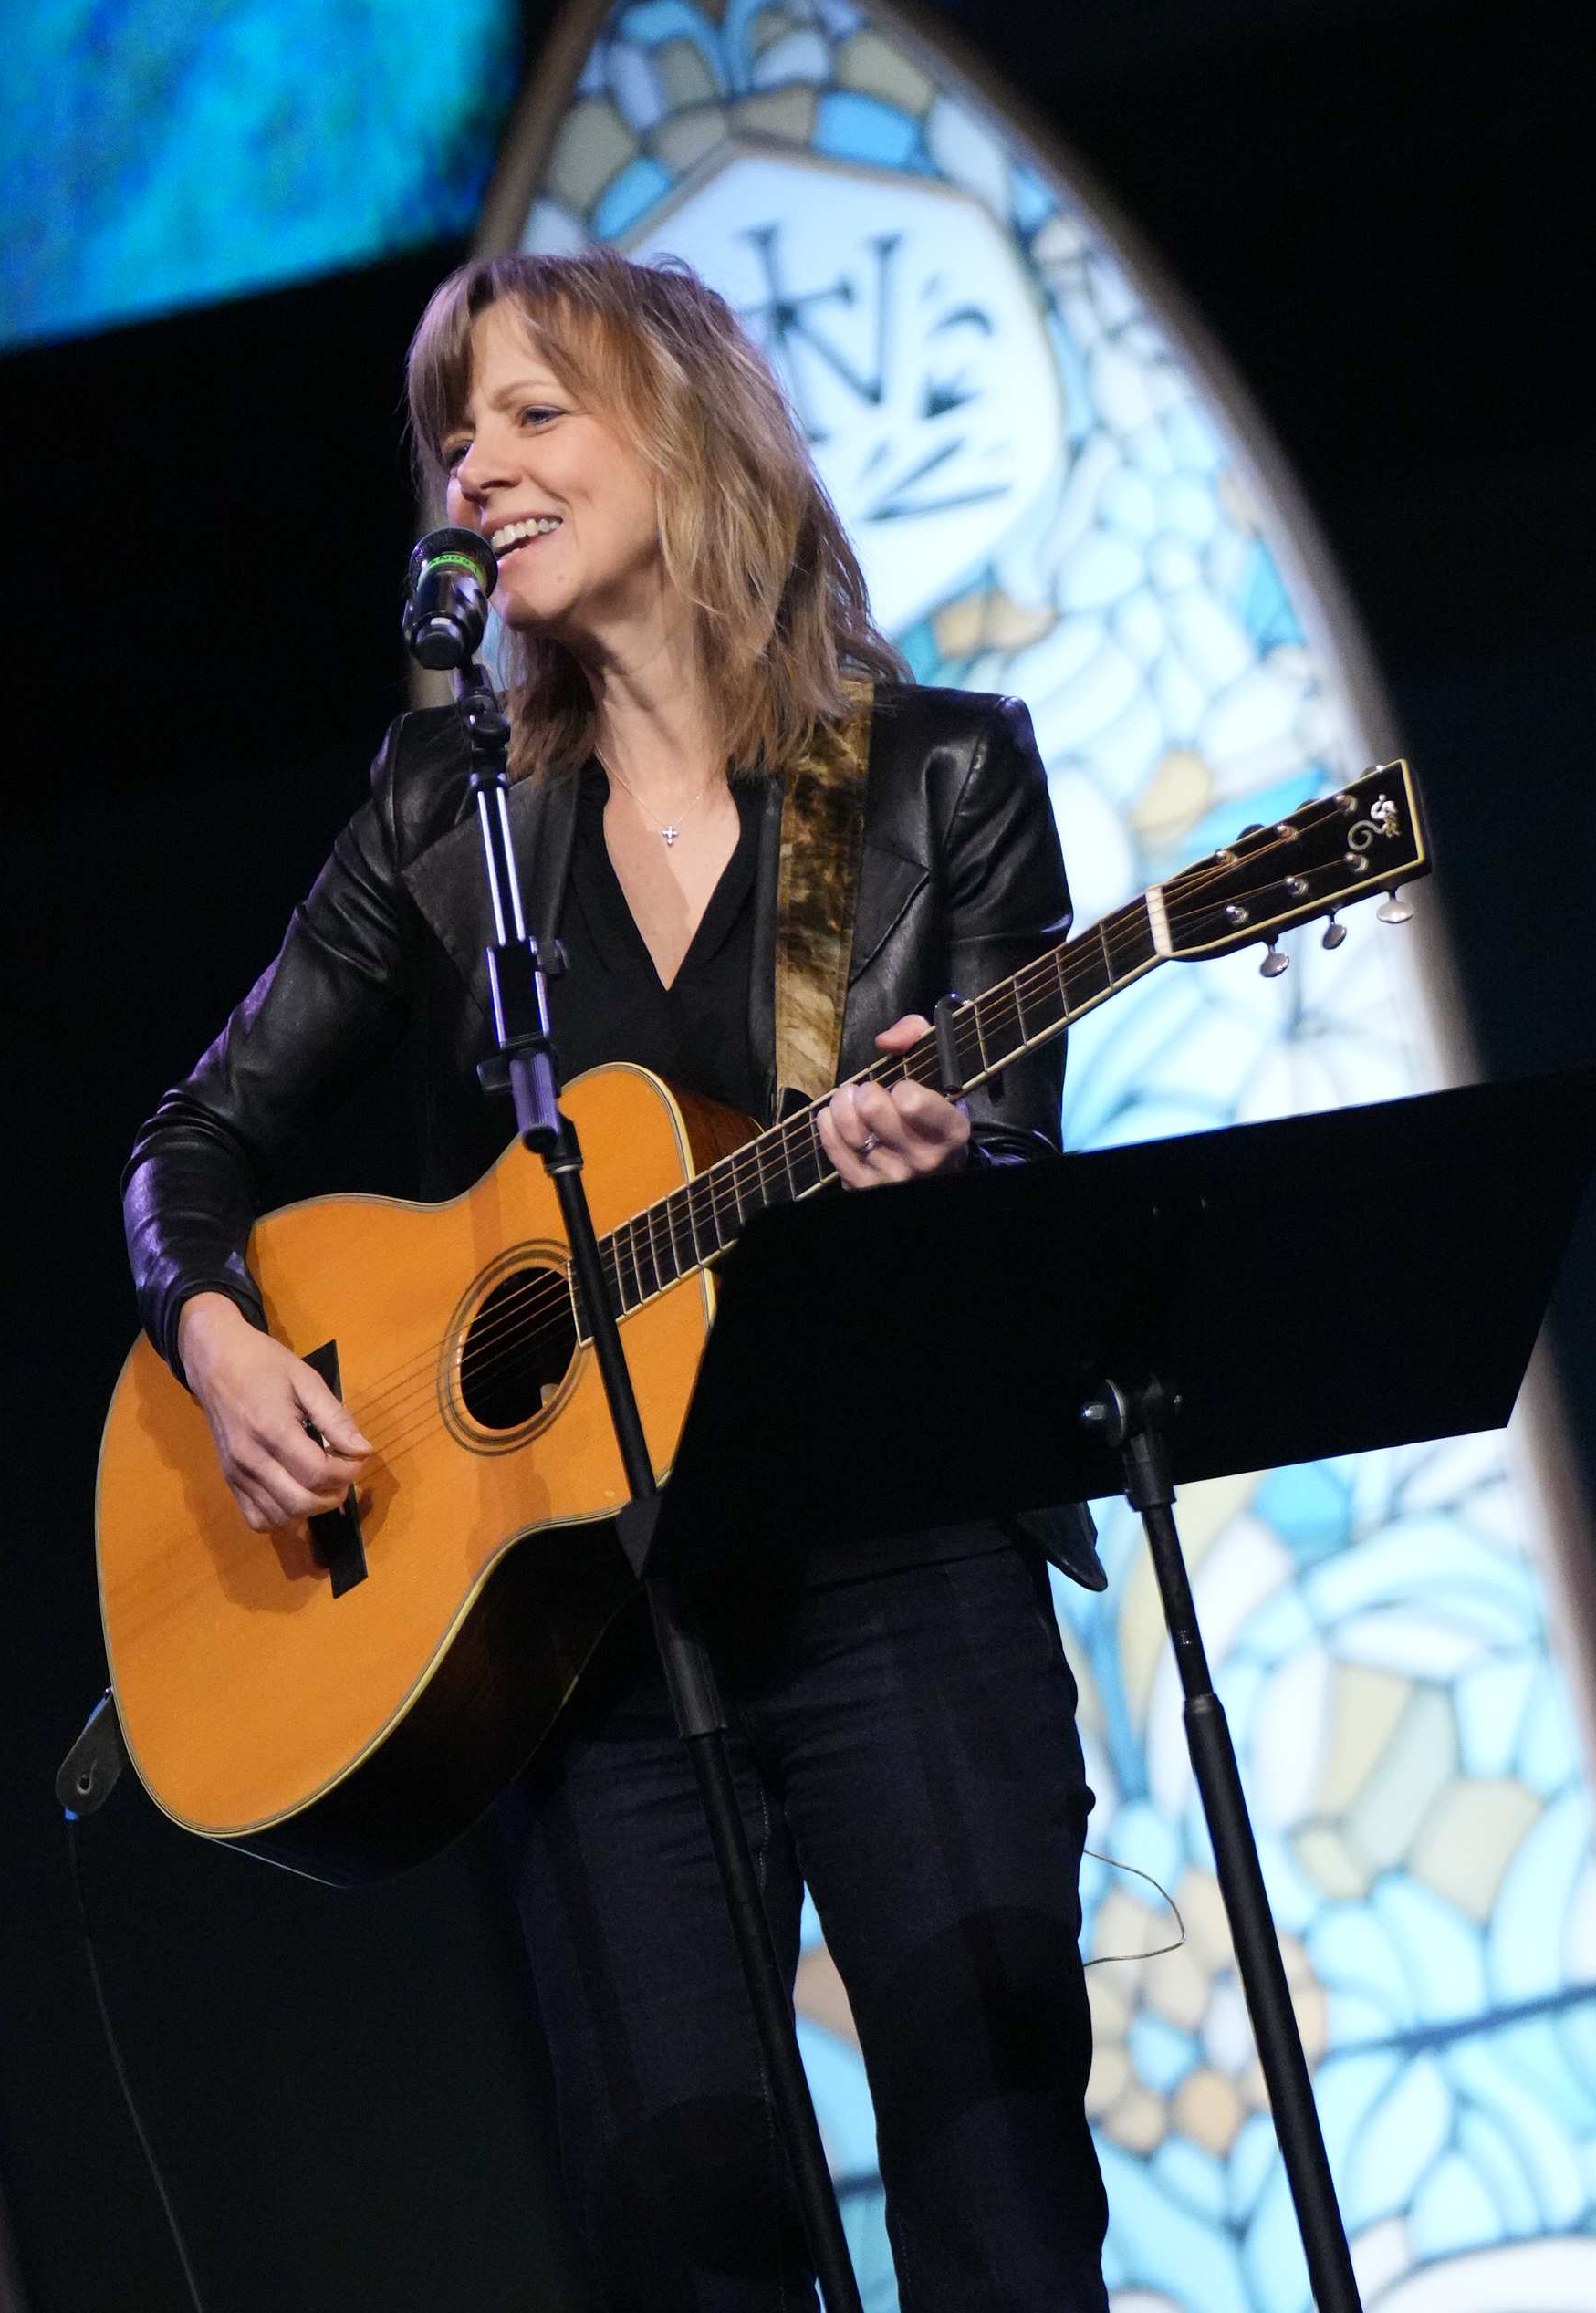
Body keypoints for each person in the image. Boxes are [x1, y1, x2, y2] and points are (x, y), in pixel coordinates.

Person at [123, 250, 1111, 2310]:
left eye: (531, 415)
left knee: (998, 2201)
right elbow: (191, 1143)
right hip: (579, 1636)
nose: (474, 469)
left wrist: (944, 1168)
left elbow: (1014, 1179)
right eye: (454, 434)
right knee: (684, 2243)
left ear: (681, 429)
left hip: (897, 1579)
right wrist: (216, 1336)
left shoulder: (929, 774)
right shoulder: (444, 814)